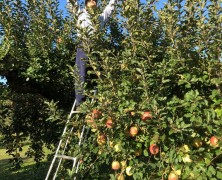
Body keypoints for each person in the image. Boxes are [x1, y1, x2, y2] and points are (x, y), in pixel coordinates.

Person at [67, 0, 117, 107]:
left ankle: (102, 103)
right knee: (81, 73)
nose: (93, 1)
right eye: (90, 0)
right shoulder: (80, 13)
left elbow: (110, 8)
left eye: (95, 0)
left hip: (97, 47)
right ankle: (81, 104)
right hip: (84, 45)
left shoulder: (100, 18)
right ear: (86, 3)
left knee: (101, 75)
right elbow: (72, 2)